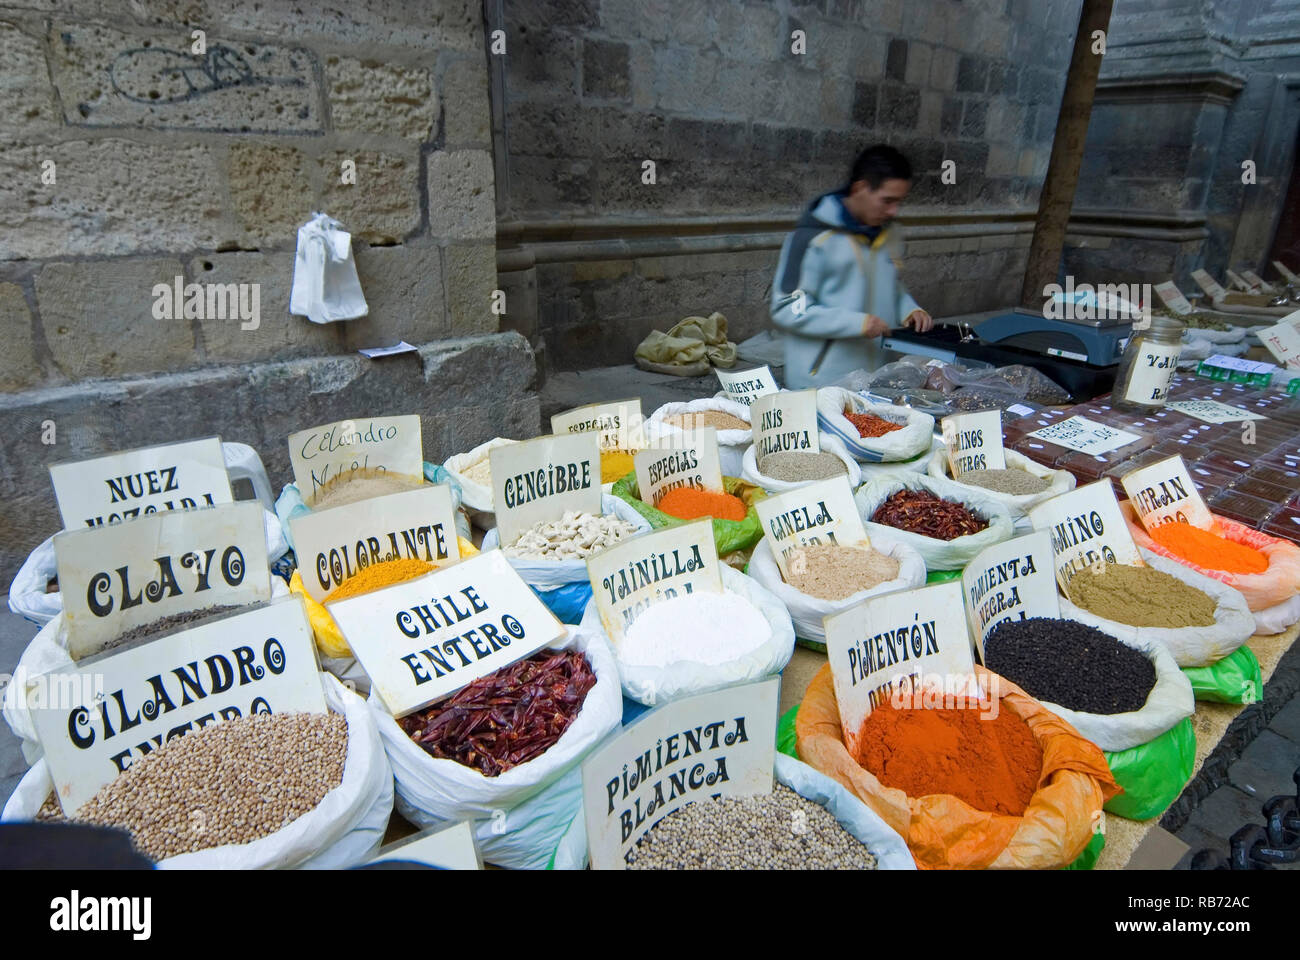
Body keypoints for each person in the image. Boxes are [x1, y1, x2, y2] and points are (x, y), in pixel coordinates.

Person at [769, 144, 933, 388]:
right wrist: (857, 323)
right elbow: (788, 307)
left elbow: (891, 285)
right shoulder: (812, 238)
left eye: (899, 202)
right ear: (860, 188)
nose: (893, 211)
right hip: (821, 383)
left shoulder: (889, 234)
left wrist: (909, 309)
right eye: (887, 201)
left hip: (875, 378)